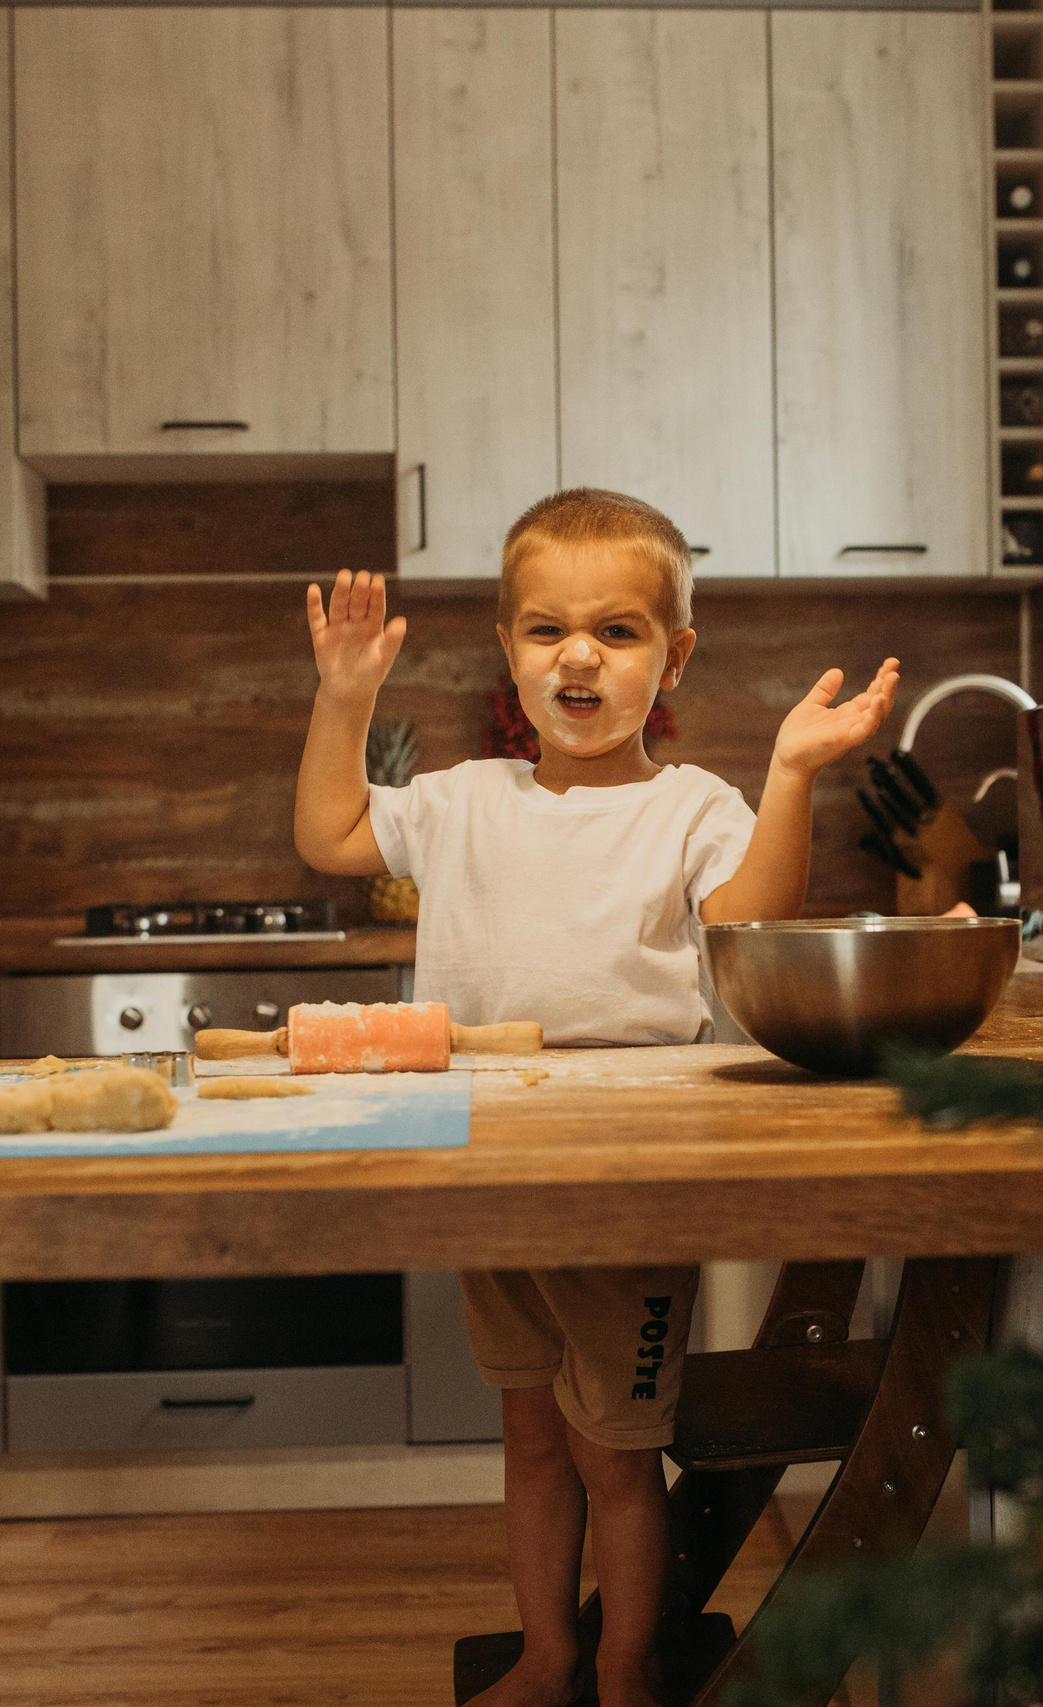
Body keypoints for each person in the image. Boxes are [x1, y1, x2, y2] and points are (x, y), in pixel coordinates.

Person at [293, 487, 897, 1707]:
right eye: (545, 628)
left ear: (671, 658)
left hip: (627, 1176)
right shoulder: (463, 800)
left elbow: (750, 916)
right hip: (487, 1165)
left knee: (614, 1453)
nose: (579, 654)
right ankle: (549, 1655)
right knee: (528, 1437)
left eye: (618, 632)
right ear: (508, 649)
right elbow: (332, 834)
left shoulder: (691, 811)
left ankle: (625, 1671)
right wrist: (345, 692)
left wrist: (789, 773)